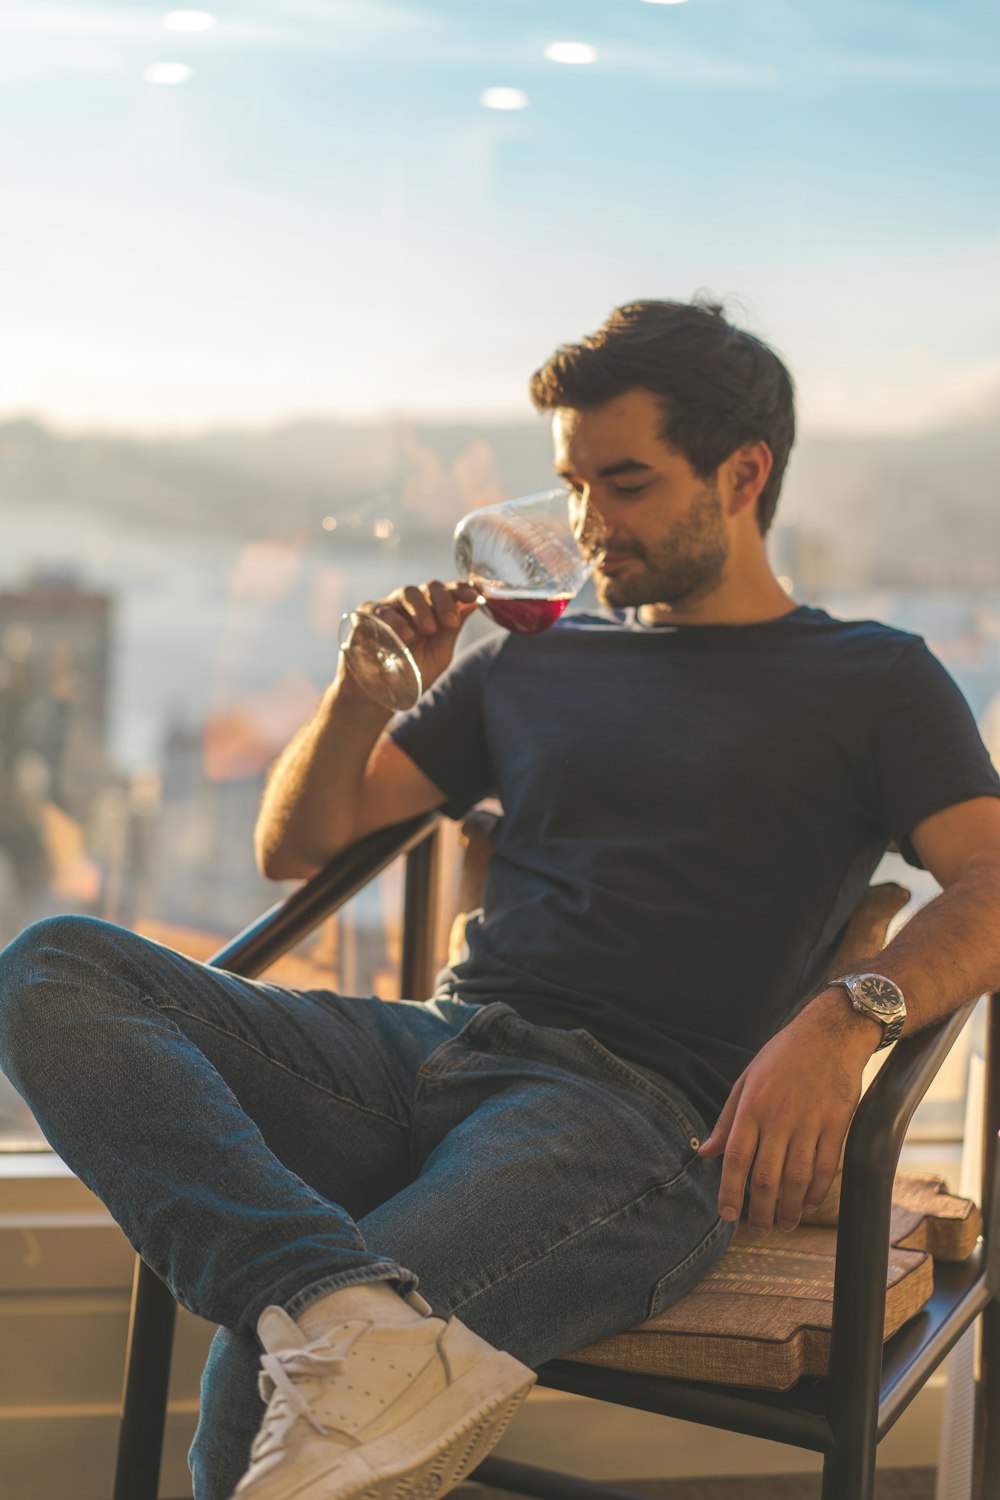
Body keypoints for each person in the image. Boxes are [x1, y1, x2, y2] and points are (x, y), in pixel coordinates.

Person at [2, 298, 1000, 1500]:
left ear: (742, 473)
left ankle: (324, 1322)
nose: (587, 524)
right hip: (426, 1049)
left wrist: (848, 1018)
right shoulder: (537, 657)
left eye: (624, 483)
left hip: (628, 1116)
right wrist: (364, 692)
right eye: (572, 484)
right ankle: (334, 1303)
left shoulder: (872, 676)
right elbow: (298, 841)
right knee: (53, 964)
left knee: (263, 1374)